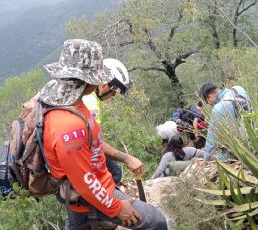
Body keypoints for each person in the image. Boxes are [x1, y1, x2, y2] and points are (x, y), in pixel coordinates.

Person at [40, 39, 167, 230]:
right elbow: (84, 181)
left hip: (81, 194)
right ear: (86, 79)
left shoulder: (69, 101)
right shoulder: (68, 124)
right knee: (155, 221)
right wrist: (116, 208)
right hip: (87, 194)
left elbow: (91, 146)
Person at [82, 58, 133, 186]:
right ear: (105, 84)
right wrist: (127, 159)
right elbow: (95, 141)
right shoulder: (91, 101)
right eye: (113, 92)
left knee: (113, 170)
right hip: (84, 150)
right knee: (114, 172)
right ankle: (107, 201)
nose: (113, 96)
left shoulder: (87, 95)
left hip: (79, 148)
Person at [198, 82, 250, 161]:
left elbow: (212, 139)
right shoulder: (238, 88)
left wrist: (206, 158)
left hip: (245, 146)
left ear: (210, 97)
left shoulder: (218, 108)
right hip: (255, 132)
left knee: (220, 156)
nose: (210, 104)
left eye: (208, 102)